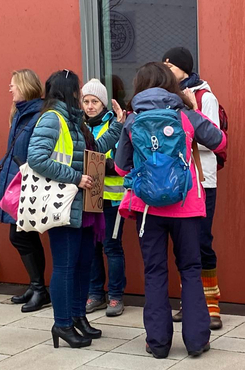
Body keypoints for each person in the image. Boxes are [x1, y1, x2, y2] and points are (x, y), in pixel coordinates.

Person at [114, 62, 227, 359]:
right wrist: (193, 108)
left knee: (154, 272)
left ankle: (159, 343)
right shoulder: (185, 115)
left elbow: (120, 166)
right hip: (187, 206)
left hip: (148, 210)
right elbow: (220, 140)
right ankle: (196, 340)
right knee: (190, 269)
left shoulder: (132, 120)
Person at [26, 70, 102, 349]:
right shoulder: (52, 118)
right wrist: (75, 177)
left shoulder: (74, 121)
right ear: (69, 92)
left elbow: (91, 153)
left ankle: (77, 317)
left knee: (82, 264)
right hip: (62, 204)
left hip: (79, 206)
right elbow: (36, 158)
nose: (81, 96)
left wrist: (117, 126)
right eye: (78, 91)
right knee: (66, 266)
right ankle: (62, 323)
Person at [162, 47, 225, 330]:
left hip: (202, 180)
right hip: (179, 180)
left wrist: (194, 111)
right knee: (185, 243)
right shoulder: (167, 98)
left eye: (170, 64)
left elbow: (212, 137)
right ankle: (190, 302)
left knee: (202, 240)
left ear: (185, 69)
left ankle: (211, 306)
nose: (166, 68)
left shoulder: (203, 95)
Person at [0, 69, 49, 313]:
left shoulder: (37, 115)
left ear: (26, 87)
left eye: (13, 85)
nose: (10, 89)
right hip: (16, 182)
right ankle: (35, 285)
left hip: (27, 184)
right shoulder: (20, 113)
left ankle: (40, 289)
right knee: (23, 235)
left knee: (21, 236)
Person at [81, 78, 128, 317]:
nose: (90, 106)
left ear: (104, 104)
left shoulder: (116, 125)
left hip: (112, 198)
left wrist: (101, 164)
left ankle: (116, 296)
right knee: (91, 247)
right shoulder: (80, 126)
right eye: (86, 101)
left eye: (95, 101)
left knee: (111, 246)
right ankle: (95, 294)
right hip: (89, 197)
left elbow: (121, 161)